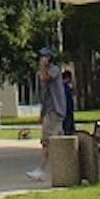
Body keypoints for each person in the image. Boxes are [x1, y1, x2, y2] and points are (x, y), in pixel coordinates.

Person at [27, 46, 65, 180]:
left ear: (49, 58)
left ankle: (42, 170)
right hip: (49, 110)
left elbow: (44, 78)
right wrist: (42, 114)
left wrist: (43, 66)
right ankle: (62, 168)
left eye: (44, 57)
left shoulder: (54, 69)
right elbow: (45, 95)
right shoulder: (44, 71)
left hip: (55, 110)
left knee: (48, 141)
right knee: (56, 140)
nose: (41, 59)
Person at [61, 69, 76, 135]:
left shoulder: (62, 87)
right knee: (68, 129)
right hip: (67, 111)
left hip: (64, 111)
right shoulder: (65, 88)